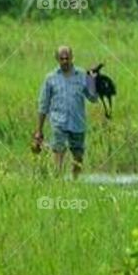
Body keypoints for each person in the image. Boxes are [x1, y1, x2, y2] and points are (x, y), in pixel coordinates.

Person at [34, 45, 99, 177]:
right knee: (58, 149)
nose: (65, 61)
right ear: (57, 59)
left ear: (72, 57)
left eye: (67, 58)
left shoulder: (82, 75)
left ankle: (75, 181)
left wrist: (92, 80)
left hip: (77, 123)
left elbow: (93, 98)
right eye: (62, 58)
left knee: (78, 156)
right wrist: (39, 130)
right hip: (59, 123)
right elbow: (43, 105)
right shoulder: (50, 78)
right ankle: (57, 180)